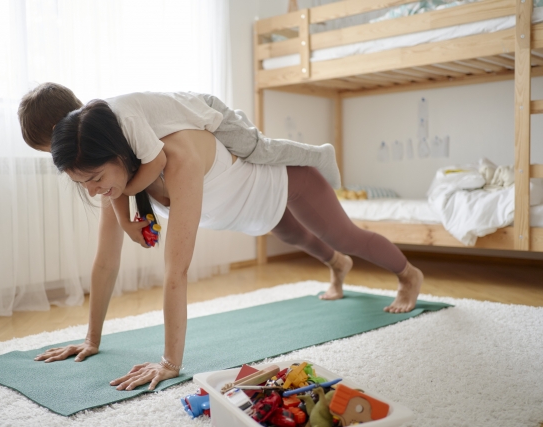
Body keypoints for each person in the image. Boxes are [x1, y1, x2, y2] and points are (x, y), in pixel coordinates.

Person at [31, 100, 424, 392]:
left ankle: (408, 275)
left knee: (344, 236)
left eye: (96, 179)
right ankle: (338, 266)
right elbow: (105, 263)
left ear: (118, 154)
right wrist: (91, 340)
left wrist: (170, 362)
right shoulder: (113, 179)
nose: (94, 190)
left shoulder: (176, 155)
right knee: (295, 235)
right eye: (84, 184)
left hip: (283, 180)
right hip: (247, 209)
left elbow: (176, 272)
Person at [18, 83, 341, 246]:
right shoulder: (100, 143)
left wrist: (128, 190)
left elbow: (154, 160)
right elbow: (117, 192)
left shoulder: (116, 122)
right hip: (189, 119)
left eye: (51, 147)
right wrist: (129, 222)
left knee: (258, 149)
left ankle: (317, 155)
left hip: (207, 113)